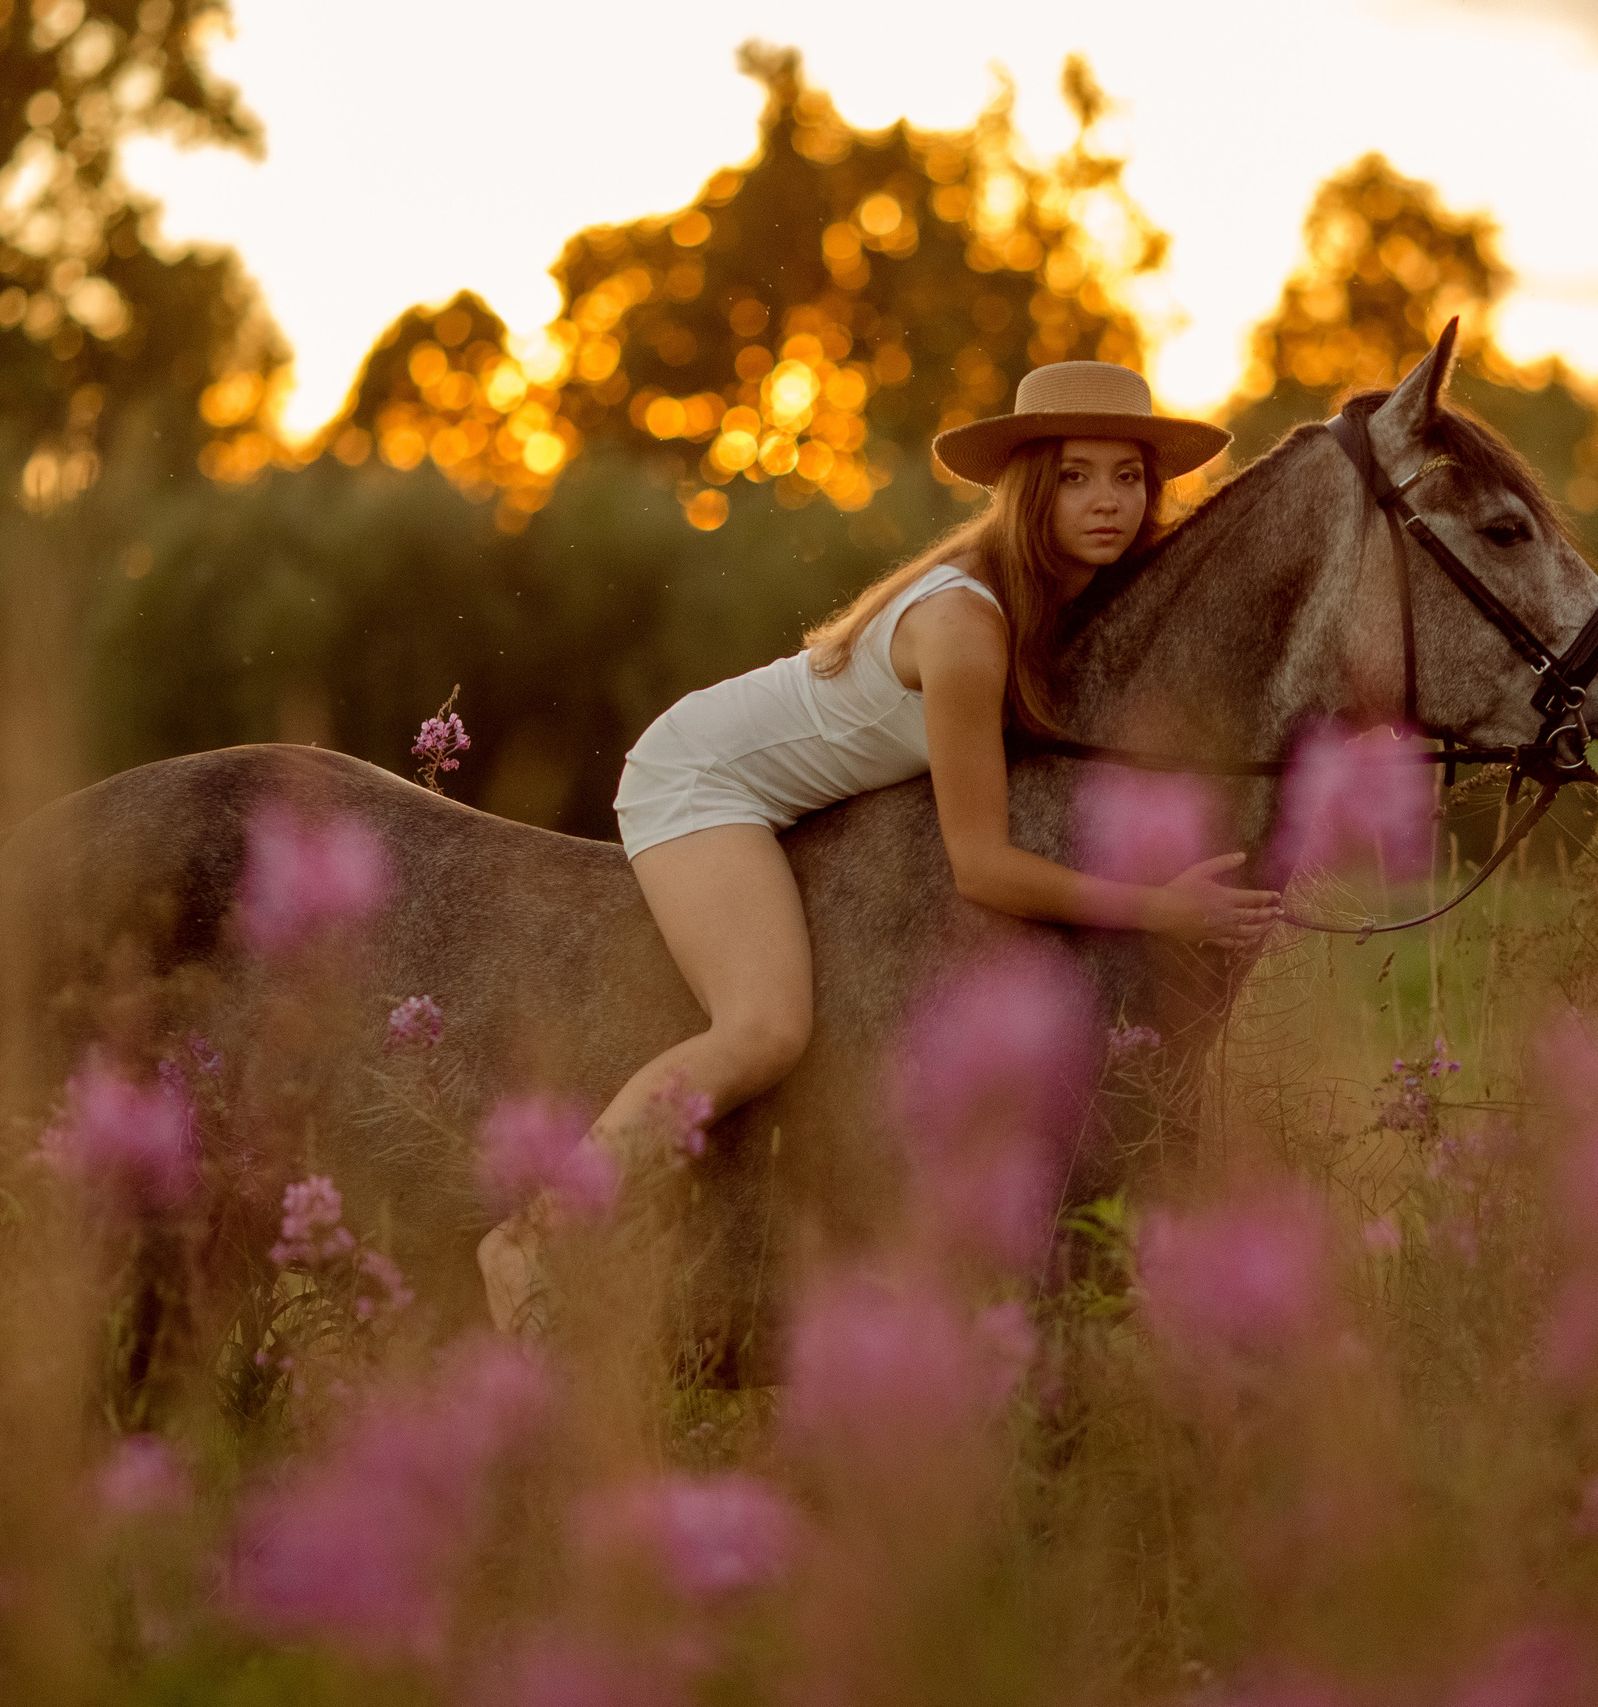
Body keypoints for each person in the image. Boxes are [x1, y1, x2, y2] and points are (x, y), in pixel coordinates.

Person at [478, 360, 1282, 1333]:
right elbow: (980, 866)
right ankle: (533, 1237)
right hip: (701, 779)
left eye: (1125, 476)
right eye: (1074, 476)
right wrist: (1162, 906)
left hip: (789, 789)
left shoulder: (1060, 606)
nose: (1106, 500)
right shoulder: (966, 624)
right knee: (762, 1027)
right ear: (1029, 487)